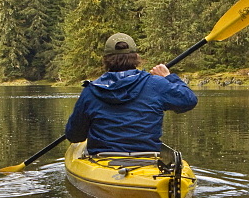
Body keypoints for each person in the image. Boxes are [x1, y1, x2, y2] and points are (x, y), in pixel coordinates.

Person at [65, 32, 197, 154]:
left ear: (105, 59)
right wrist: (168, 77)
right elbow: (188, 100)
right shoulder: (156, 84)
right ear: (135, 57)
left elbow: (75, 136)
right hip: (147, 160)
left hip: (103, 160)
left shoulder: (91, 91)